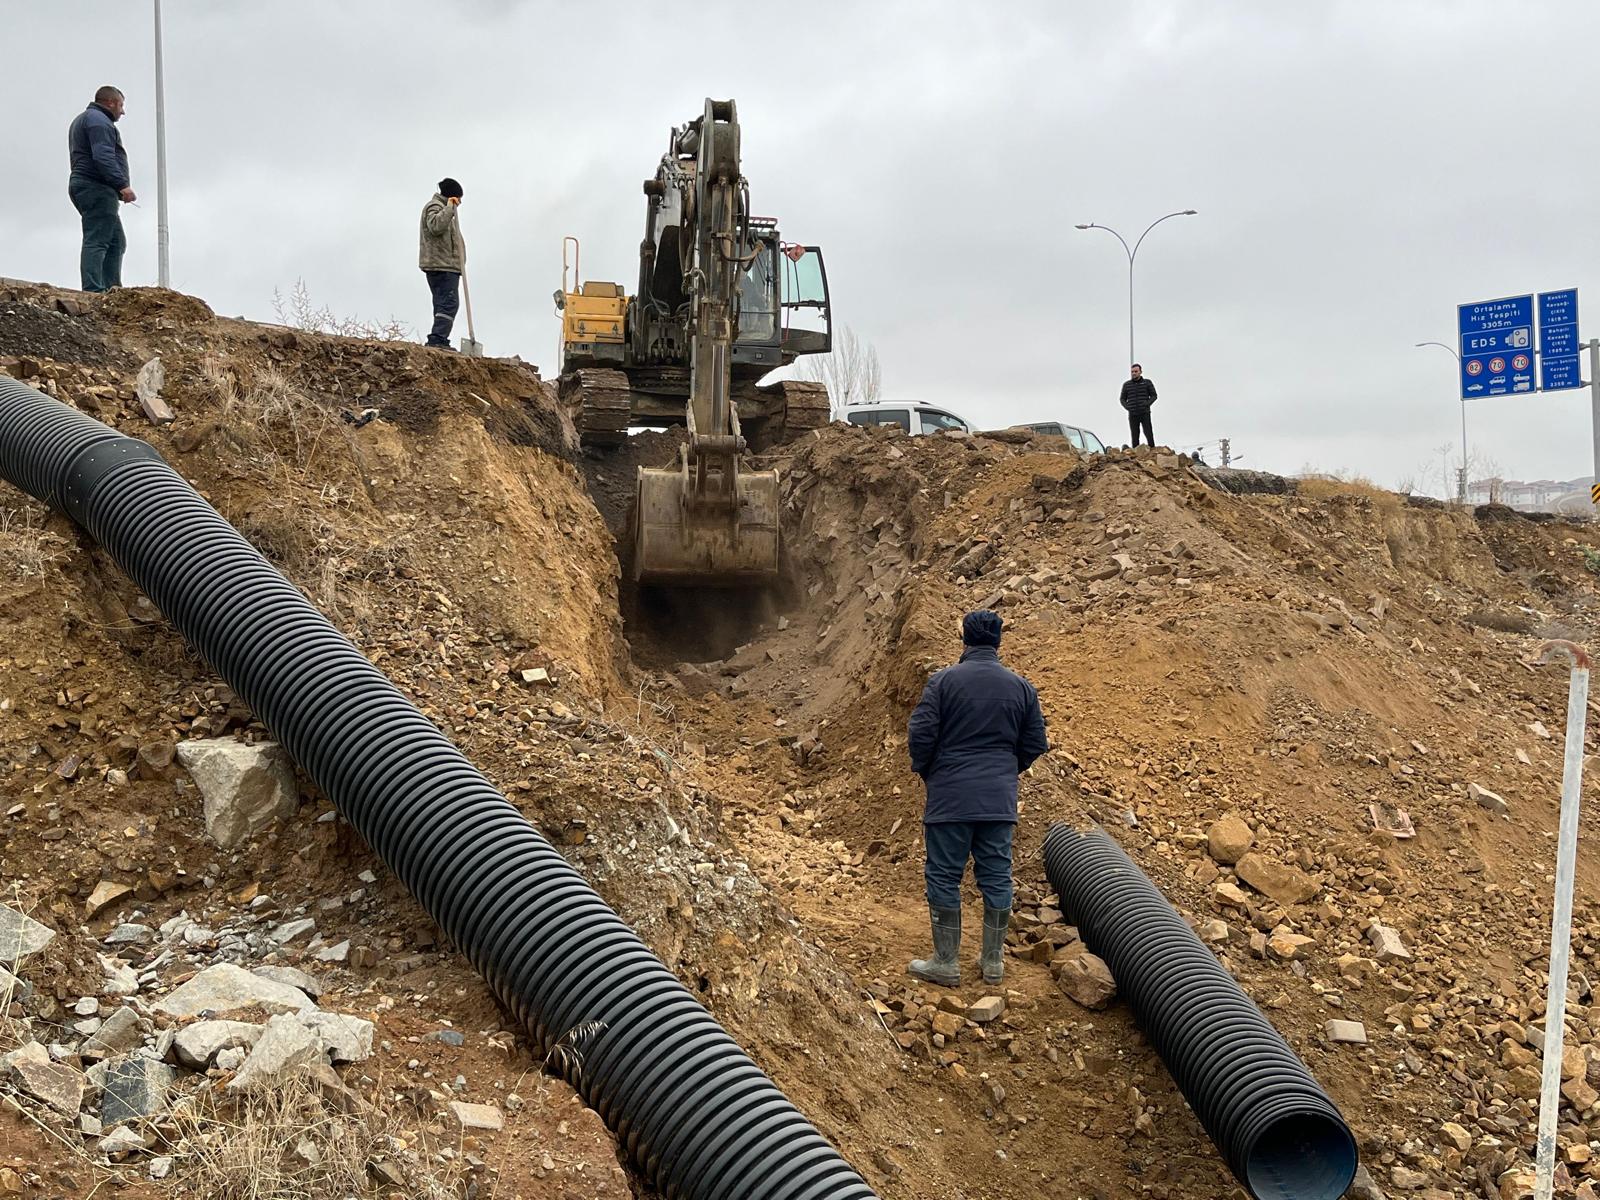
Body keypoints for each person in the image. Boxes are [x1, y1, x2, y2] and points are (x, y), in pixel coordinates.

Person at [906, 610, 1048, 986]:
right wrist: (1004, 771)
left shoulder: (943, 682)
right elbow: (1036, 743)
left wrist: (929, 770)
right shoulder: (1021, 687)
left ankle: (946, 962)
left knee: (943, 875)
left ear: (964, 640)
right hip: (998, 801)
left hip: (950, 797)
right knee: (997, 876)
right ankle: (992, 962)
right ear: (998, 641)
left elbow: (920, 734)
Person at [67, 86, 134, 293]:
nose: (122, 111)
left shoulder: (87, 119)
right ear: (110, 103)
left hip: (93, 187)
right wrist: (122, 185)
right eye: (121, 105)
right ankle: (94, 291)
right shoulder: (98, 121)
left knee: (116, 241)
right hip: (96, 186)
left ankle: (112, 290)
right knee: (98, 239)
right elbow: (103, 156)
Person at [419, 178, 466, 349]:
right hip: (441, 264)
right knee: (449, 303)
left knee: (443, 304)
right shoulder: (435, 207)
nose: (459, 203)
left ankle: (439, 338)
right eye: (458, 198)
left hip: (448, 266)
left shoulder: (444, 209)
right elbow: (436, 226)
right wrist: (449, 208)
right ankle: (437, 339)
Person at [1119, 363, 1158, 448]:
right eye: (1132, 372)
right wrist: (1128, 407)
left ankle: (1152, 451)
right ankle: (1135, 456)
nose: (1134, 373)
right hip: (1133, 414)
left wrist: (1146, 404)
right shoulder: (1127, 385)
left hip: (1145, 413)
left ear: (1140, 372)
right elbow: (1122, 399)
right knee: (1135, 436)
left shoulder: (1147, 383)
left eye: (1136, 371)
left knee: (1148, 433)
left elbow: (1154, 396)